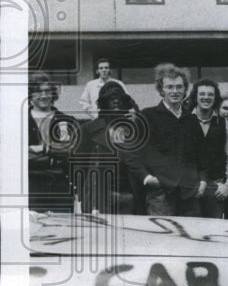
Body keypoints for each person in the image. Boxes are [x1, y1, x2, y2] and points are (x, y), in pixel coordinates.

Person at [127, 63, 204, 217]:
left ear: (185, 89)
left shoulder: (191, 120)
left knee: (191, 240)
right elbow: (131, 155)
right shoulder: (147, 116)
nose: (175, 91)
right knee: (163, 240)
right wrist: (147, 178)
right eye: (170, 87)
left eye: (179, 87)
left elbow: (202, 156)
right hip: (160, 195)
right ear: (161, 90)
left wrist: (203, 181)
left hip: (190, 195)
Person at [76, 79, 143, 215]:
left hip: (129, 194)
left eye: (119, 98)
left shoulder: (135, 129)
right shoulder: (87, 130)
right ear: (103, 102)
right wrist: (84, 195)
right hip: (98, 196)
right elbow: (79, 166)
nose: (116, 101)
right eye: (111, 98)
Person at [188, 78, 228, 219]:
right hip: (189, 188)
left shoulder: (223, 124)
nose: (206, 98)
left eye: (210, 94)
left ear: (215, 98)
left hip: (215, 189)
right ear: (195, 96)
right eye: (202, 94)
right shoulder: (185, 120)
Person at [28, 73, 79, 213]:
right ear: (30, 94)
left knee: (64, 229)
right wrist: (54, 154)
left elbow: (70, 152)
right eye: (38, 91)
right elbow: (16, 155)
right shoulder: (19, 120)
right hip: (31, 186)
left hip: (60, 185)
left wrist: (42, 149)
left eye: (47, 91)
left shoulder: (67, 120)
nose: (44, 95)